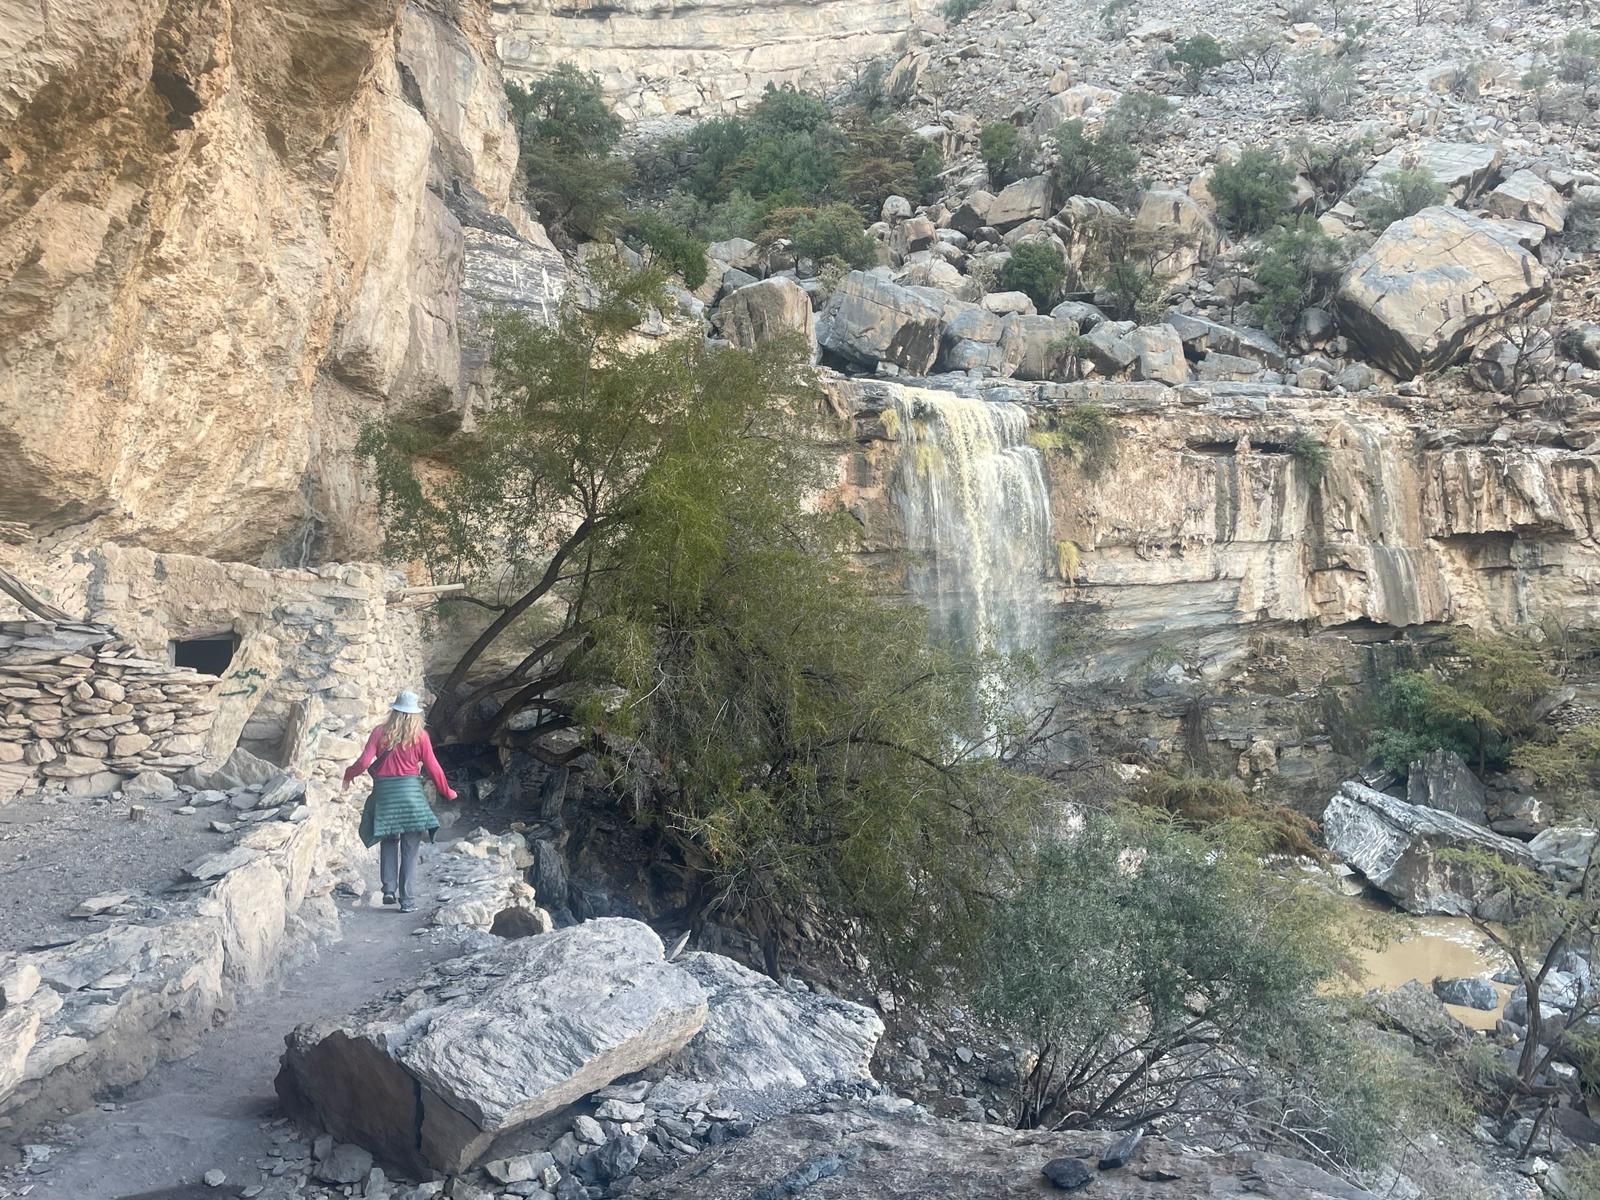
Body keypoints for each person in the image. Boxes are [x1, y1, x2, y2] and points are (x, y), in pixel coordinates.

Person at [342, 690, 458, 913]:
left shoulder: (379, 732)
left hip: (385, 795)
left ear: (394, 711)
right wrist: (447, 791)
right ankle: (407, 901)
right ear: (416, 715)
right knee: (410, 848)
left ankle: (388, 889)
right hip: (410, 795)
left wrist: (348, 775)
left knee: (388, 840)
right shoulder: (421, 736)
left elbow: (365, 761)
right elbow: (433, 767)